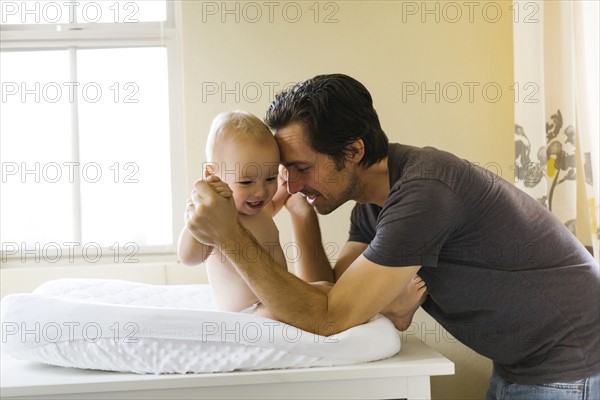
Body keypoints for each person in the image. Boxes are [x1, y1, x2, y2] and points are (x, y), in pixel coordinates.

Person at [185, 75, 599, 399]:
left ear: (353, 151)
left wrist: (231, 236)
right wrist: (301, 214)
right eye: (285, 171)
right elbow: (333, 293)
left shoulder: (423, 193)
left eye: (301, 168)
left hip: (572, 362)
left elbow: (328, 317)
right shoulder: (372, 203)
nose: (288, 183)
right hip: (523, 364)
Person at [179, 109, 427, 322]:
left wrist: (289, 183)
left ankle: (389, 309)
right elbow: (188, 258)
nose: (260, 191)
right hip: (249, 313)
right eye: (246, 181)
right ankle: (390, 308)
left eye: (269, 178)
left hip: (277, 299)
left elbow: (281, 198)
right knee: (317, 300)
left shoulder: (257, 207)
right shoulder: (217, 215)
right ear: (213, 174)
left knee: (328, 291)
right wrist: (199, 217)